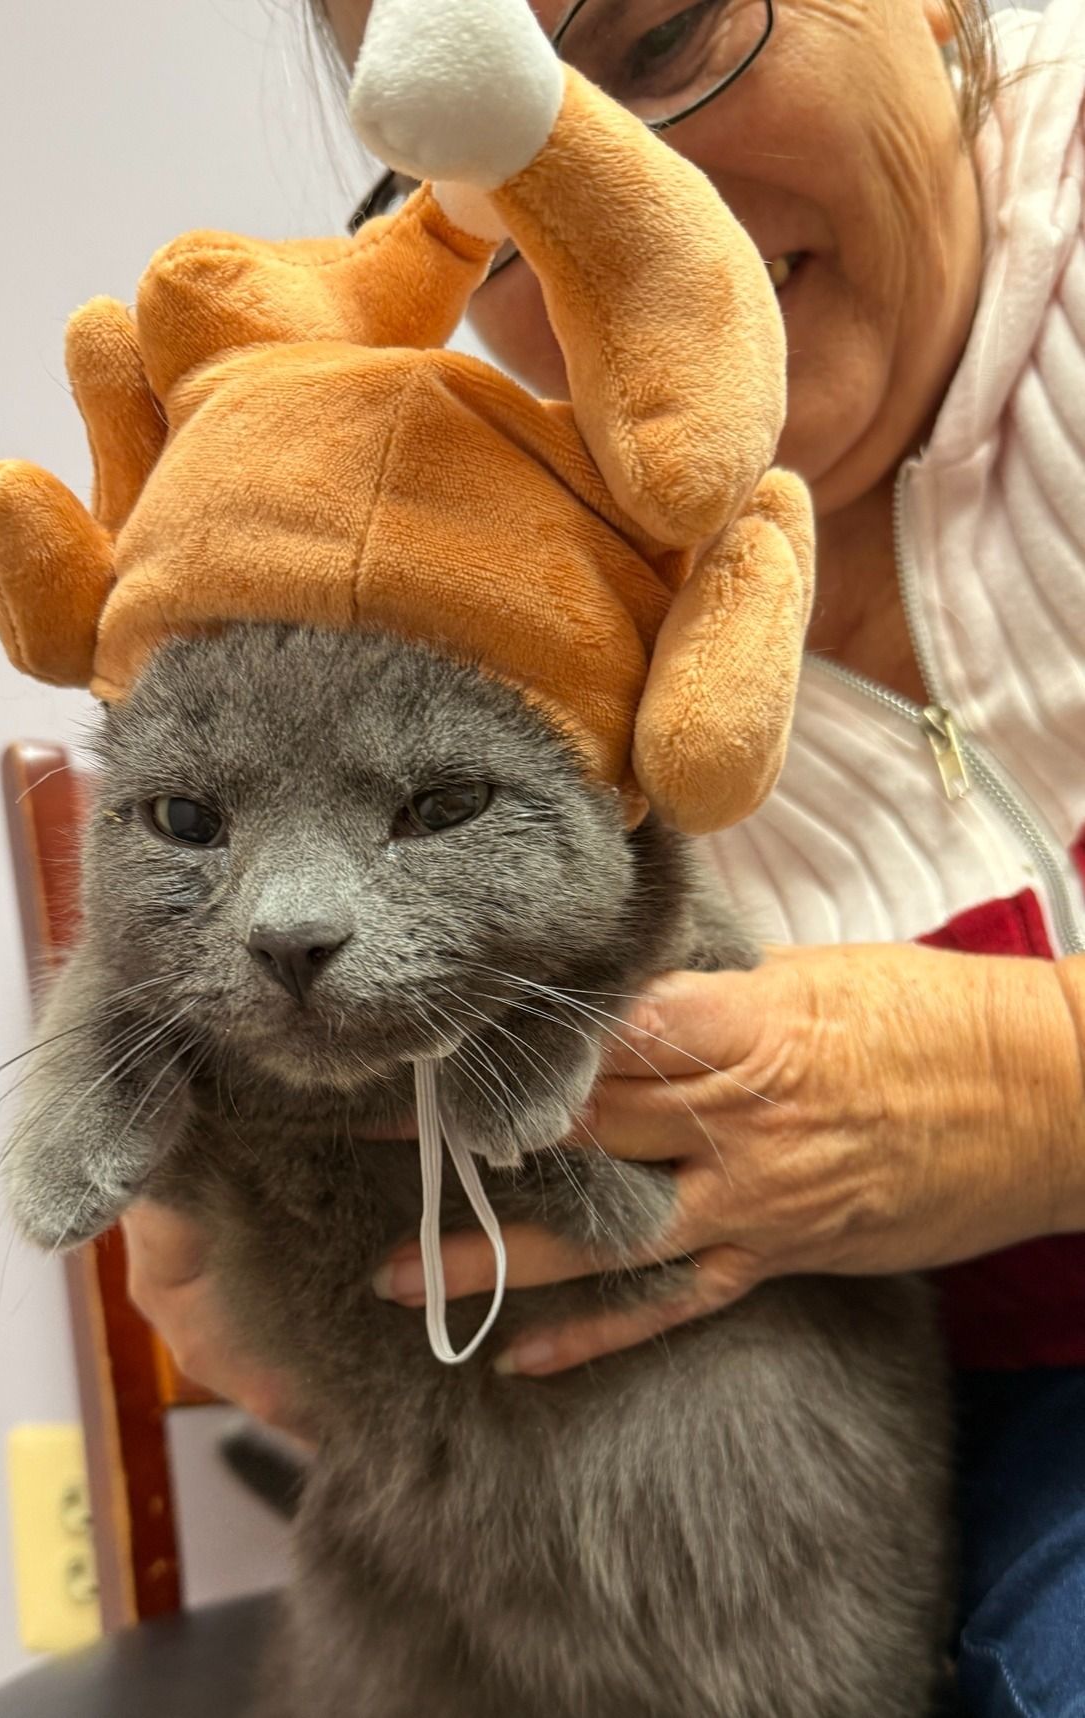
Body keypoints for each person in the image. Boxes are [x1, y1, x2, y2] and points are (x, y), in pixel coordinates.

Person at [122, 0, 1085, 1709]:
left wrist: (1037, 1080)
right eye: (477, 158)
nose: (620, 215)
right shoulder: (486, 550)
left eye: (671, 33)